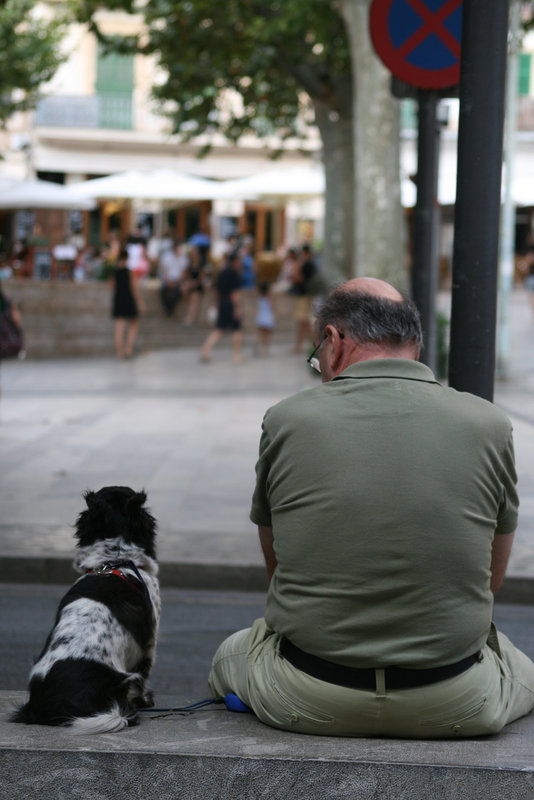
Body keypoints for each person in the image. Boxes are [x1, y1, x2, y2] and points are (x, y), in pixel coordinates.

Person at [208, 277, 534, 739]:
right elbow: (491, 578)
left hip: (307, 692)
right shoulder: (490, 424)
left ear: (334, 341)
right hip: (459, 699)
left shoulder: (286, 419)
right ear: (415, 345)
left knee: (230, 655)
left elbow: (278, 565)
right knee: (518, 666)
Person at [201, 252, 243, 363]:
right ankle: (236, 355)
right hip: (230, 303)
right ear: (235, 262)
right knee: (237, 329)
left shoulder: (222, 272)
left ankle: (206, 348)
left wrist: (217, 304)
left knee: (219, 329)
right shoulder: (233, 273)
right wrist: (236, 308)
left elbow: (216, 291)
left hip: (222, 302)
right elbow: (234, 293)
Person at [111, 247, 144, 359]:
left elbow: (112, 286)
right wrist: (139, 302)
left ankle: (119, 352)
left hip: (118, 299)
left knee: (119, 326)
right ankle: (128, 349)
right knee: (133, 323)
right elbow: (133, 287)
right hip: (128, 299)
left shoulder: (114, 272)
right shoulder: (129, 272)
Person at [290, 244, 319, 353]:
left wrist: (296, 266)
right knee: (306, 321)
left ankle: (309, 345)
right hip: (309, 294)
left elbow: (297, 278)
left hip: (304, 295)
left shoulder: (306, 265)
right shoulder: (312, 264)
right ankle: (313, 344)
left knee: (304, 322)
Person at [158, 239, 188, 317]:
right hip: (168, 281)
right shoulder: (167, 257)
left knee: (177, 292)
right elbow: (165, 272)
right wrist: (168, 282)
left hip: (178, 281)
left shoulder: (183, 258)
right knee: (163, 291)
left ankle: (171, 310)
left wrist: (176, 283)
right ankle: (167, 309)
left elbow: (183, 273)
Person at [255, 282, 275, 356]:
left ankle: (261, 349)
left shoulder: (260, 297)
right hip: (268, 317)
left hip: (261, 317)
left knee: (261, 335)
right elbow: (271, 306)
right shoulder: (269, 298)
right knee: (267, 335)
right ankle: (266, 350)